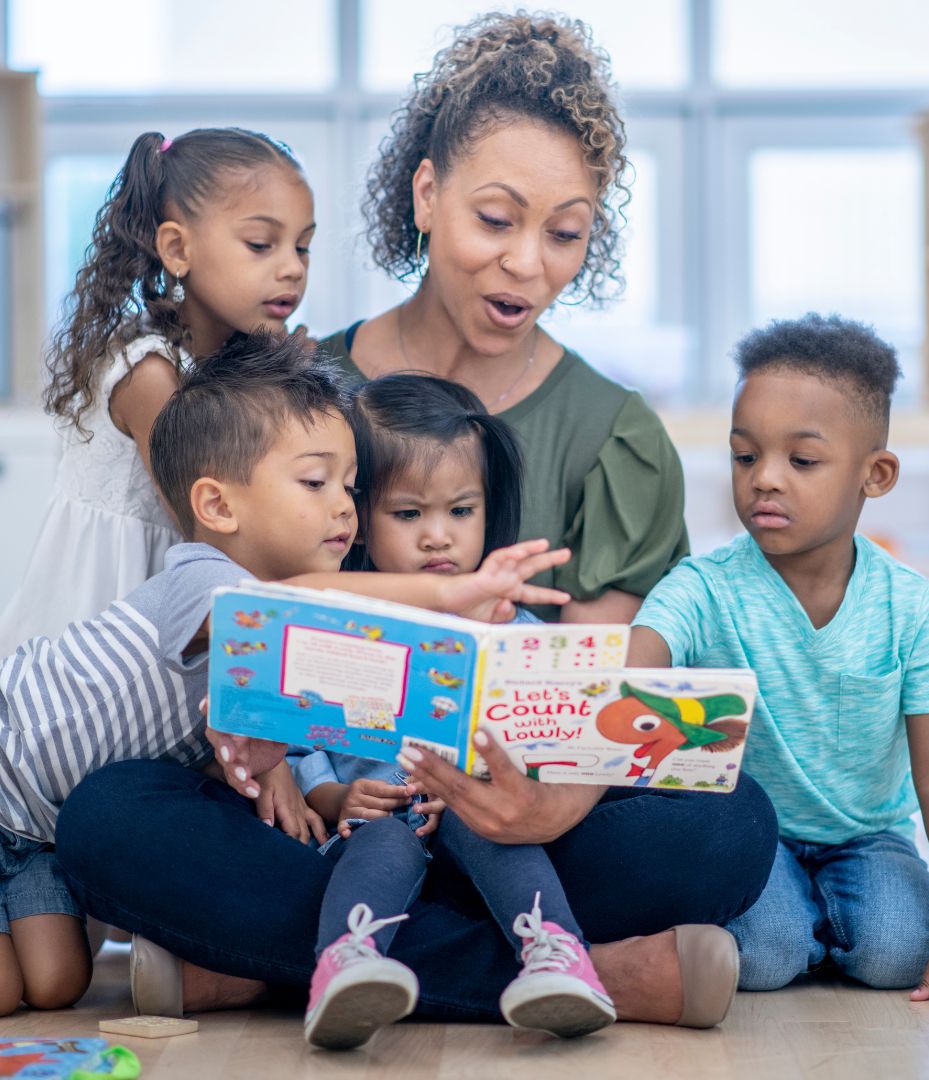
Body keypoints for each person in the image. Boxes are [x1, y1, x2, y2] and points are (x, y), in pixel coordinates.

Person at [0, 332, 569, 1019]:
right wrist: (453, 596)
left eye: (351, 487)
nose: (343, 507)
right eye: (314, 482)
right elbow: (282, 614)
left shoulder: (280, 643)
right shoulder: (199, 578)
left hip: (34, 833)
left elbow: (252, 717)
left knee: (54, 984)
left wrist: (278, 771)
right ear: (217, 507)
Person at [628, 313, 929, 1011]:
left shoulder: (910, 604)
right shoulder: (703, 586)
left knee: (899, 955)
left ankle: (822, 924)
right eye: (744, 456)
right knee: (766, 957)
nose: (764, 481)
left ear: (875, 475)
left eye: (802, 461)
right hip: (753, 836)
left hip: (867, 836)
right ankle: (799, 926)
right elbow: (634, 669)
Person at [322, 11, 688, 623]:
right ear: (427, 196)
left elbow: (592, 692)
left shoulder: (619, 444)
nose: (526, 262)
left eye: (565, 232)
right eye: (495, 219)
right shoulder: (299, 394)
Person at [295, 373, 614, 1049]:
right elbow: (299, 740)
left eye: (461, 512)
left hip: (481, 818)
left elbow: (550, 743)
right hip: (388, 814)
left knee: (497, 832)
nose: (438, 538)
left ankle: (558, 958)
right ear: (356, 516)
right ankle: (346, 965)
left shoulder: (519, 629)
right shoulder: (341, 624)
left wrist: (511, 785)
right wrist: (336, 795)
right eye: (408, 515)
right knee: (379, 840)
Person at [0, 127, 316, 653]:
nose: (292, 268)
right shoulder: (150, 372)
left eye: (303, 247)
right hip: (95, 646)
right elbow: (214, 532)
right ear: (176, 248)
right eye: (261, 244)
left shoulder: (231, 357)